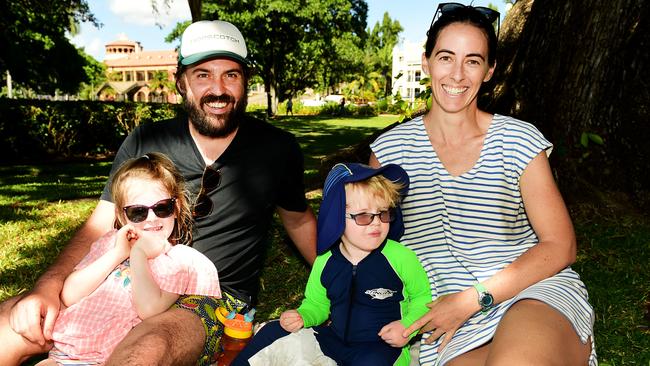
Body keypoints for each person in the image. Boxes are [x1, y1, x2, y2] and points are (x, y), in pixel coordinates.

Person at [0, 20, 317, 366]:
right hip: (116, 278)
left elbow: (298, 220)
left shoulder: (276, 149)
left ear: (244, 81)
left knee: (146, 350)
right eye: (203, 75)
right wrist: (47, 287)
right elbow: (98, 225)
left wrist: (346, 276)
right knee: (13, 324)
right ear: (180, 81)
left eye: (231, 75)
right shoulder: (145, 140)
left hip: (206, 297)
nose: (218, 89)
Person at [369, 3, 597, 365]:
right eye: (446, 57)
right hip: (445, 322)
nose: (457, 74)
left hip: (530, 294)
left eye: (473, 60)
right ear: (426, 61)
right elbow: (370, 244)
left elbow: (561, 244)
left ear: (489, 70)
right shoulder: (388, 152)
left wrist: (472, 299)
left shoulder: (518, 140)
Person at [232, 163, 432, 366]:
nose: (376, 222)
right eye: (363, 215)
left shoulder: (400, 257)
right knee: (274, 331)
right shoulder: (326, 260)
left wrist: (406, 327)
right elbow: (317, 304)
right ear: (336, 218)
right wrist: (303, 316)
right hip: (333, 342)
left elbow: (423, 298)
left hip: (381, 348)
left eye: (383, 213)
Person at [36, 152, 221, 365]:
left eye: (162, 208)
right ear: (123, 216)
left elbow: (149, 309)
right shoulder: (110, 243)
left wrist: (139, 254)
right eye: (138, 212)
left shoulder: (179, 260)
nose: (152, 218)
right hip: (63, 351)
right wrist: (118, 254)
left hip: (107, 358)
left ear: (176, 208)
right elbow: (69, 295)